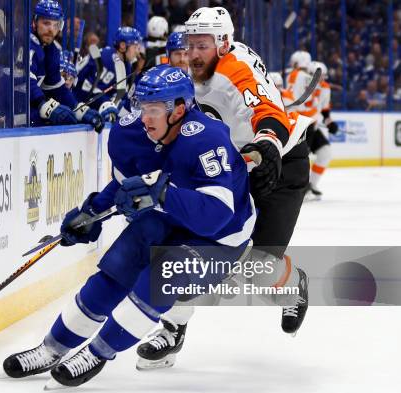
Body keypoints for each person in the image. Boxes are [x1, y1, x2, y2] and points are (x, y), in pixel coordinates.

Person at [1, 65, 256, 388]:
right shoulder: (132, 133)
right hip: (168, 219)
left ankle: (97, 353)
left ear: (179, 110)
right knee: (116, 268)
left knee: (164, 274)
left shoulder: (206, 138)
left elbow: (217, 214)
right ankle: (52, 347)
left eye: (152, 110)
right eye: (140, 107)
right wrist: (90, 213)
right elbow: (124, 185)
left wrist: (163, 193)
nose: (143, 118)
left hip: (221, 237)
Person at [136, 6, 312, 370]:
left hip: (280, 163)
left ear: (223, 43)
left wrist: (266, 142)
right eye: (190, 44)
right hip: (233, 167)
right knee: (192, 247)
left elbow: (269, 114)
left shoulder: (235, 69)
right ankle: (172, 328)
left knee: (259, 269)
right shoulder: (189, 72)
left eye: (203, 45)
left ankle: (291, 284)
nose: (194, 52)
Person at [29, 0, 103, 132]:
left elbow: (58, 88)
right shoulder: (26, 43)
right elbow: (24, 81)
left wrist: (78, 108)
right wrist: (43, 104)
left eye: (55, 25)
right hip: (6, 111)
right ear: (34, 22)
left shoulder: (50, 50)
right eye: (46, 23)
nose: (51, 29)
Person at [74, 26, 142, 123]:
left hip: (94, 109)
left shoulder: (126, 64)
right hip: (79, 107)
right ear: (123, 46)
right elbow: (87, 90)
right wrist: (107, 103)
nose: (137, 51)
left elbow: (118, 94)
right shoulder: (106, 58)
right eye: (135, 47)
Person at [304, 61, 336, 200]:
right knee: (300, 160)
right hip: (300, 128)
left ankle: (311, 184)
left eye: (323, 76)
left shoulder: (325, 88)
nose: (322, 80)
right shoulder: (302, 87)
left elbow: (324, 109)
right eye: (319, 76)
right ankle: (300, 188)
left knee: (325, 153)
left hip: (314, 127)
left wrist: (329, 122)